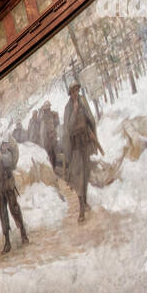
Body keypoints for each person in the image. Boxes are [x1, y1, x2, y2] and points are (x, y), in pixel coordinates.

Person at [0, 136, 29, 255]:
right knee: (3, 215)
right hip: (0, 190)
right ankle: (7, 241)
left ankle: (23, 233)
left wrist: (1, 156)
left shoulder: (2, 151)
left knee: (14, 209)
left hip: (8, 185)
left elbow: (9, 162)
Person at [64, 82, 103, 223]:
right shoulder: (68, 108)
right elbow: (67, 128)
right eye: (73, 91)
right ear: (70, 93)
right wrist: (74, 113)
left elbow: (90, 120)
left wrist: (91, 132)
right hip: (75, 146)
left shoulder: (83, 102)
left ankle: (85, 202)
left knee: (86, 175)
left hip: (86, 143)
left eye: (77, 91)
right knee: (79, 177)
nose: (76, 93)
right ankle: (81, 209)